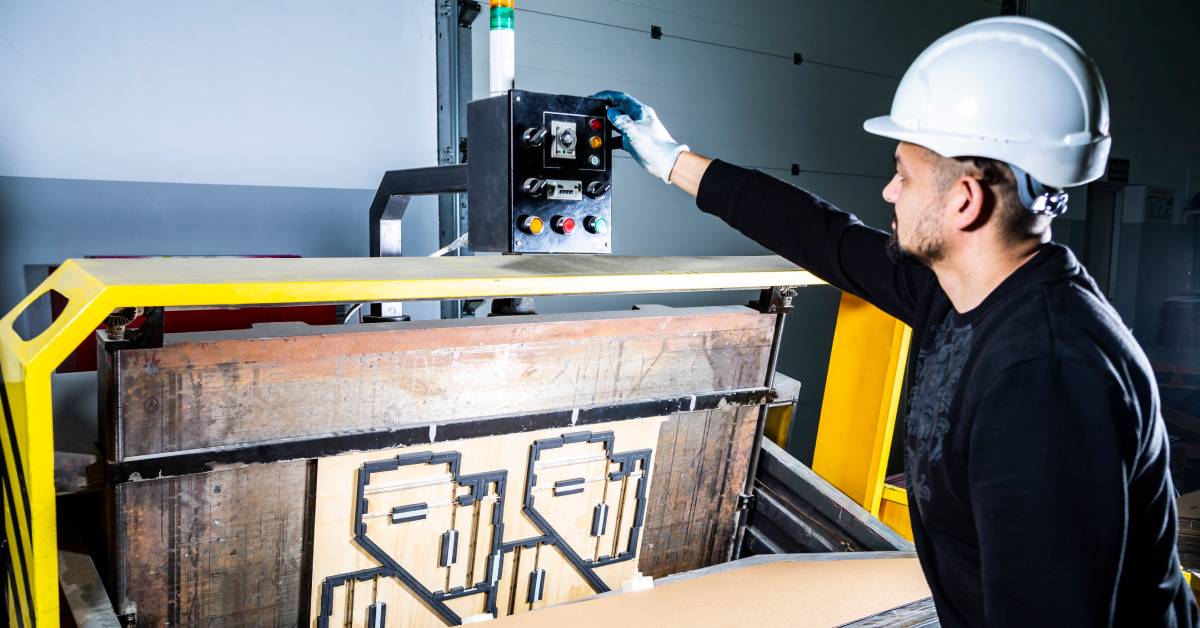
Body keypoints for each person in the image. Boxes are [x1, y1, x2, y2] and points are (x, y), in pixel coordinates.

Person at [596, 16, 1199, 627]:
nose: (888, 192)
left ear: (966, 200)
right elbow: (824, 237)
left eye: (904, 175)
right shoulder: (965, 290)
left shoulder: (1044, 378)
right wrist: (672, 159)